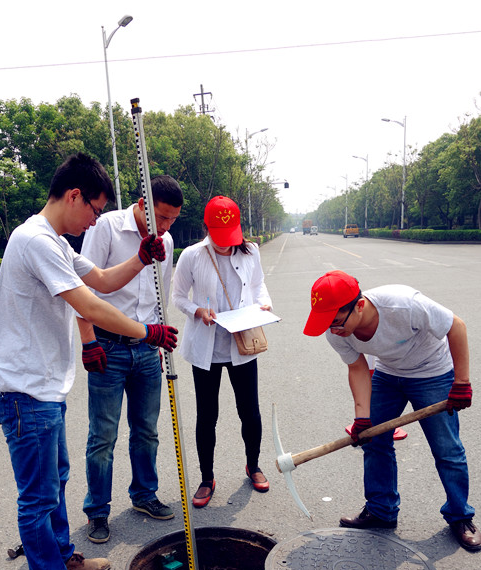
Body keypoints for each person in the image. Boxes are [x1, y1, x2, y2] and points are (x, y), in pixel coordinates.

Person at [0, 152, 178, 570]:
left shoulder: (55, 242)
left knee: (56, 481)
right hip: (24, 391)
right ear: (74, 196)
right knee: (38, 497)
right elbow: (89, 305)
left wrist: (140, 259)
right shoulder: (36, 241)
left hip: (43, 388)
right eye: (94, 209)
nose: (94, 219)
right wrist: (146, 332)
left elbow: (104, 281)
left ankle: (63, 556)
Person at [303, 269, 479, 551]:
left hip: (432, 373)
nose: (333, 329)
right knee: (373, 441)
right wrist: (362, 418)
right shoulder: (336, 330)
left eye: (336, 321)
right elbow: (358, 369)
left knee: (447, 449)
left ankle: (460, 516)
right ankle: (381, 510)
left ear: (359, 305)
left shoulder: (404, 304)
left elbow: (455, 326)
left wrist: (461, 382)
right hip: (388, 374)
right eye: (327, 323)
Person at [78, 176, 183, 544]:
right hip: (108, 348)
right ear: (142, 204)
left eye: (172, 219)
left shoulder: (165, 241)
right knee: (103, 435)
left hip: (147, 348)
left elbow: (159, 296)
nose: (166, 226)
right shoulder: (106, 227)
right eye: (161, 217)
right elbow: (84, 289)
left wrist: (159, 340)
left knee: (146, 430)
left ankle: (144, 494)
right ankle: (97, 510)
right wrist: (88, 341)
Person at [172, 195, 272, 507]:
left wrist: (264, 304)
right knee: (207, 415)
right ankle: (207, 478)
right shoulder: (192, 256)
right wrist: (197, 311)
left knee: (249, 411)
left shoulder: (250, 250)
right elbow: (178, 296)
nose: (227, 244)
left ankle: (253, 465)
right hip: (207, 349)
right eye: (220, 237)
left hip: (243, 344)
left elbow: (258, 285)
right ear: (207, 228)